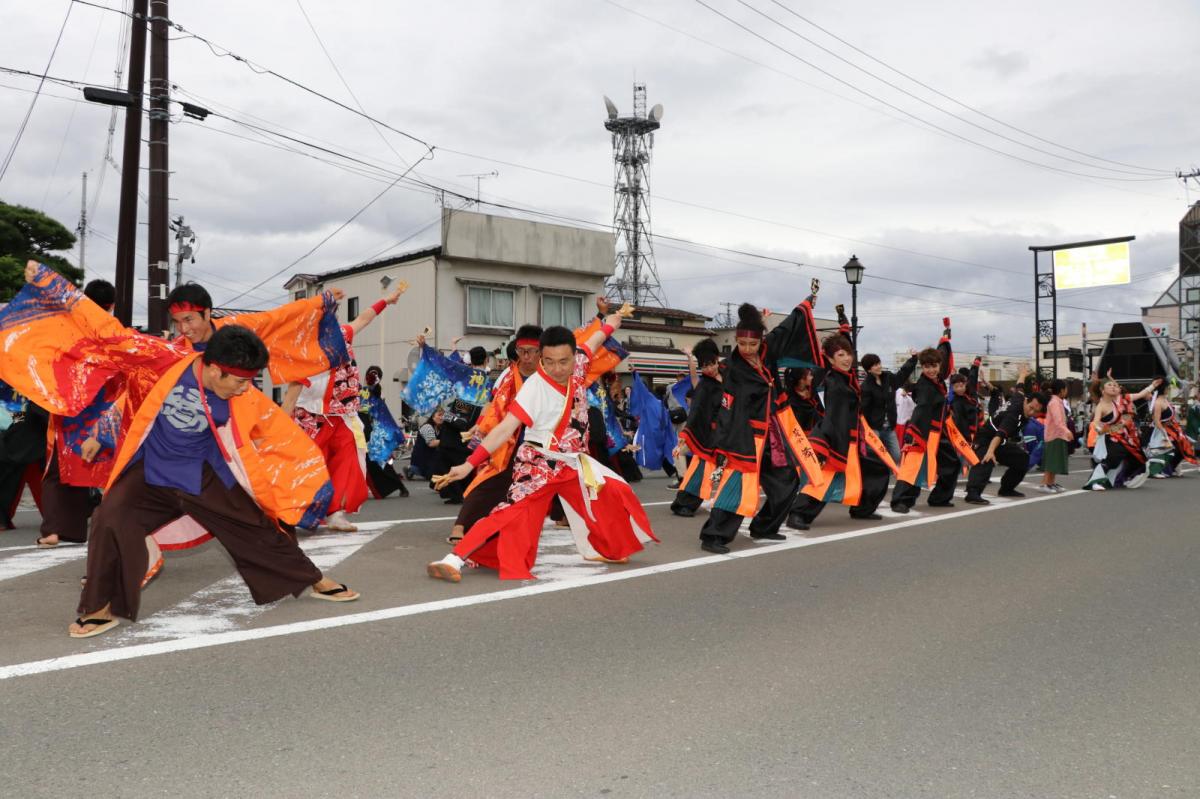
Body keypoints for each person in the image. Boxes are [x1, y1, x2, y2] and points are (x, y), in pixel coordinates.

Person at [68, 325, 360, 637]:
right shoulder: (167, 367)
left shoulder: (243, 395)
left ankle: (313, 579)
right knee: (109, 517)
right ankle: (97, 608)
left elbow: (272, 425)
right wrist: (100, 434)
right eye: (239, 381)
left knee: (254, 526)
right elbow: (129, 393)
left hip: (204, 473)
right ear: (215, 370)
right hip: (152, 471)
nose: (244, 389)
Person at [426, 310, 656, 582]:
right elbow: (505, 429)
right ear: (541, 359)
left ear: (574, 356)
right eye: (549, 362)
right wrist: (469, 464)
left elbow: (594, 341)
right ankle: (452, 560)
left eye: (563, 361)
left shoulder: (580, 363)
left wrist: (611, 323)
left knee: (609, 495)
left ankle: (611, 549)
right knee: (510, 513)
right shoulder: (534, 388)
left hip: (572, 463)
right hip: (538, 465)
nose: (557, 369)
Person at [698, 296, 826, 555]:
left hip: (774, 434)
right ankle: (713, 535)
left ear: (761, 340)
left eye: (753, 343)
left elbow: (787, 328)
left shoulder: (769, 352)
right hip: (745, 435)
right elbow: (727, 408)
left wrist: (806, 304)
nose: (747, 348)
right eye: (742, 343)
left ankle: (765, 526)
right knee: (737, 486)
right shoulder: (732, 369)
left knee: (787, 480)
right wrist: (723, 442)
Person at [445, 324, 543, 543]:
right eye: (521, 351)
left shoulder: (550, 375)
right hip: (509, 438)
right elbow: (492, 404)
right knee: (491, 479)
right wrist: (480, 425)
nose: (526, 357)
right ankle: (462, 524)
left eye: (531, 351)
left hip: (543, 443)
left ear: (541, 351)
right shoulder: (507, 377)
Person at [790, 330, 897, 529]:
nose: (847, 358)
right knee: (825, 478)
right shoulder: (834, 382)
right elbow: (833, 417)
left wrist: (844, 327)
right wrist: (827, 443)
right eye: (840, 355)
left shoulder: (845, 379)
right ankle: (798, 514)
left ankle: (862, 508)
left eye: (848, 354)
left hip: (852, 439)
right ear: (830, 359)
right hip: (837, 439)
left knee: (877, 469)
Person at [890, 319, 977, 513]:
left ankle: (940, 498)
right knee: (914, 466)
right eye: (926, 366)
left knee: (952, 464)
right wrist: (912, 435)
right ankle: (900, 501)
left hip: (940, 431)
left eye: (934, 366)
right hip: (923, 431)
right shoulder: (925, 386)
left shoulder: (938, 378)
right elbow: (921, 411)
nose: (931, 370)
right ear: (922, 367)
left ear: (939, 365)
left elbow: (942, 352)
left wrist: (945, 336)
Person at [963, 374, 1045, 504]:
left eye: (1036, 411)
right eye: (1031, 408)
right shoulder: (1014, 416)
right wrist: (991, 452)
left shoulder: (1019, 397)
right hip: (986, 438)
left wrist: (1023, 374)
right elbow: (999, 434)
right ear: (1026, 402)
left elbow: (1019, 386)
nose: (1031, 413)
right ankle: (972, 493)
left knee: (1023, 459)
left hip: (1000, 441)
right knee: (987, 459)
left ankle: (1006, 489)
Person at [670, 338, 723, 518]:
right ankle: (684, 503)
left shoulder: (729, 374)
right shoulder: (705, 386)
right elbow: (696, 410)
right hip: (710, 435)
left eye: (712, 364)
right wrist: (690, 358)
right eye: (704, 366)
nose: (709, 369)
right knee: (703, 470)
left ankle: (728, 503)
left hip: (730, 430)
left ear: (717, 359)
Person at [1083, 375, 1158, 491]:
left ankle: (1117, 479)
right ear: (1103, 391)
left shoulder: (1118, 401)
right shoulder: (1101, 406)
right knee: (1112, 459)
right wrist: (1099, 429)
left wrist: (1153, 385)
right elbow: (1095, 422)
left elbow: (1140, 394)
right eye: (1109, 385)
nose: (1113, 387)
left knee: (1137, 458)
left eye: (1114, 385)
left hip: (1122, 437)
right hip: (1110, 437)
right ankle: (1093, 482)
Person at [861, 352, 915, 464]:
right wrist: (866, 428)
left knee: (896, 456)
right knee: (875, 456)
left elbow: (902, 374)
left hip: (889, 427)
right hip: (874, 428)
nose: (879, 366)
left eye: (879, 363)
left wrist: (913, 359)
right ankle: (878, 472)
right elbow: (864, 409)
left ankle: (888, 471)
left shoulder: (888, 378)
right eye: (875, 365)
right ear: (868, 369)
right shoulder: (865, 387)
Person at [1147, 381, 1196, 477]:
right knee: (1165, 450)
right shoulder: (1158, 402)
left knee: (1184, 445)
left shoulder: (1165, 400)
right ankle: (1154, 471)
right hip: (1162, 430)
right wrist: (1164, 433)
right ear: (1163, 389)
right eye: (1168, 388)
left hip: (1172, 428)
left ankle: (1171, 468)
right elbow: (1156, 421)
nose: (1169, 389)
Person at [1040, 379, 1072, 492]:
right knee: (1051, 462)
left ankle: (1051, 483)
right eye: (1066, 389)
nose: (1066, 391)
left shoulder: (1057, 401)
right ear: (1062, 390)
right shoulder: (1054, 402)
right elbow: (1058, 421)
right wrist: (1067, 431)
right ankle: (1044, 484)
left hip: (1057, 434)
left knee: (1054, 461)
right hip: (1054, 435)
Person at [409, 408, 443, 480]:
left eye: (443, 415)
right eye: (439, 415)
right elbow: (431, 443)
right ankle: (412, 469)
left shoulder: (439, 428)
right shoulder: (427, 426)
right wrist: (447, 441)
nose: (441, 417)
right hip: (422, 459)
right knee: (433, 477)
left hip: (431, 458)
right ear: (432, 416)